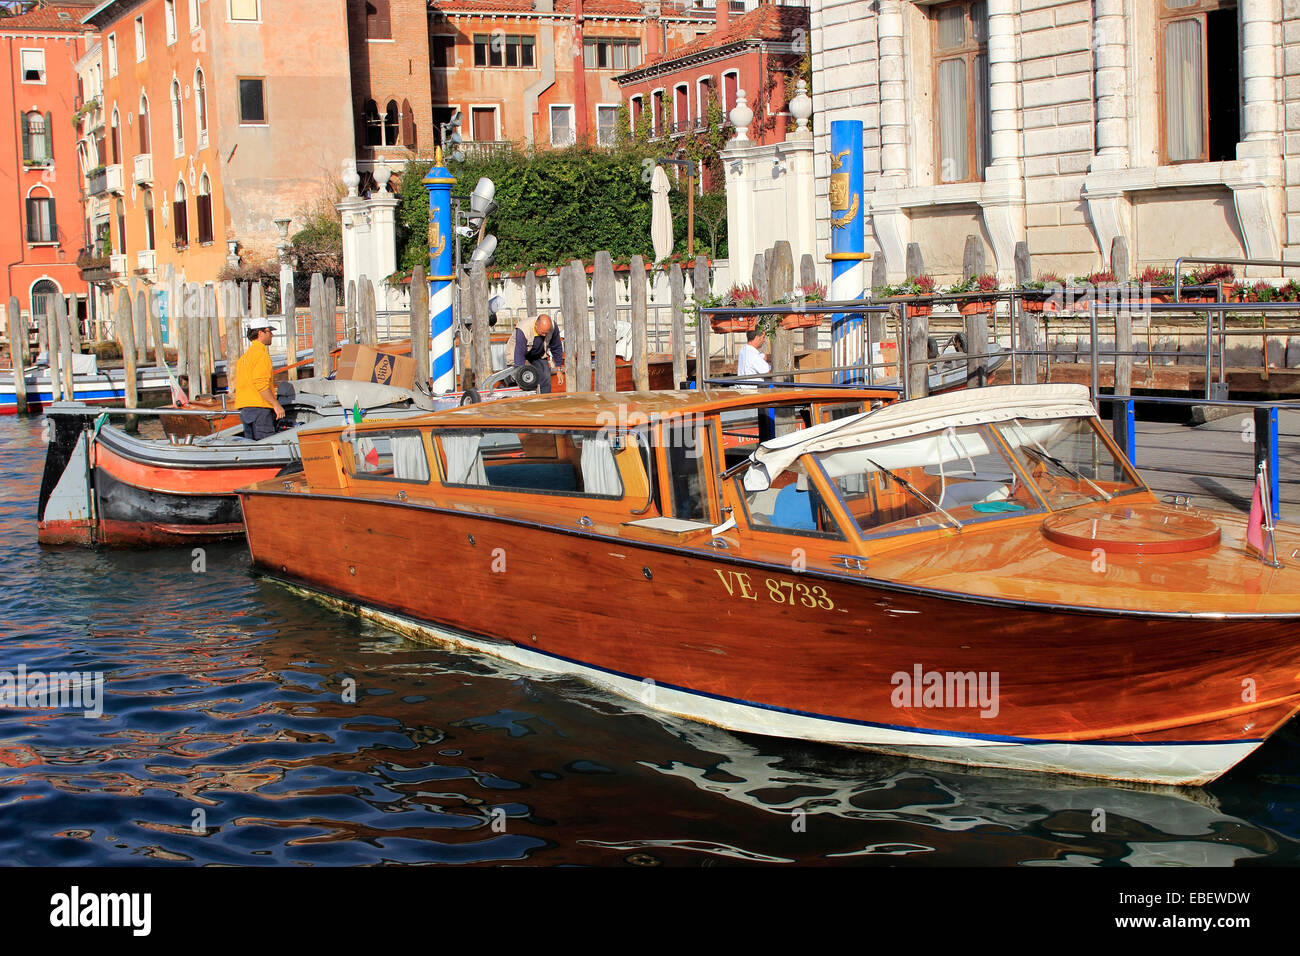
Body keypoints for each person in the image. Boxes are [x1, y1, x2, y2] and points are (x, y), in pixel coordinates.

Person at [234, 317, 284, 440]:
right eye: (269, 331)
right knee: (267, 444)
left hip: (245, 410)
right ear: (260, 333)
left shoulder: (244, 358)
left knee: (252, 446)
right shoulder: (262, 355)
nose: (272, 335)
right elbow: (261, 384)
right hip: (260, 409)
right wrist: (276, 404)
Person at [512, 313, 565, 393]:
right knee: (520, 379)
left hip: (538, 354)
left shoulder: (552, 327)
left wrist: (558, 369)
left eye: (546, 333)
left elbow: (556, 347)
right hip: (517, 353)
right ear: (536, 325)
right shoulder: (523, 329)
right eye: (543, 332)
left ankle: (545, 401)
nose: (544, 335)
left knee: (545, 377)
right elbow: (519, 355)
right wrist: (521, 371)